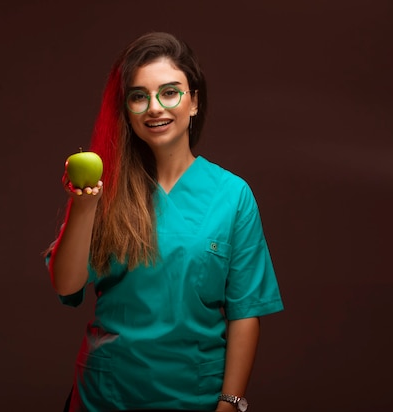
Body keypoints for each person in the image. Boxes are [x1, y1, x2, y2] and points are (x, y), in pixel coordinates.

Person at [45, 31, 284, 412]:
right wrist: (84, 204)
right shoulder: (106, 186)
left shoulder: (232, 195)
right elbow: (66, 284)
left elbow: (245, 312)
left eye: (170, 92)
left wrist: (231, 402)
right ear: (126, 110)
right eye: (139, 96)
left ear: (194, 102)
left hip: (195, 396)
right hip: (105, 396)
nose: (155, 107)